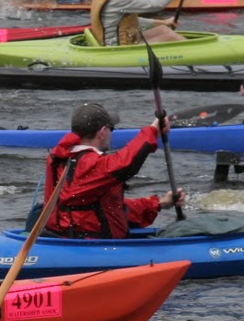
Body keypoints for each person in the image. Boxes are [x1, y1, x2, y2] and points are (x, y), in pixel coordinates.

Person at [43, 101, 182, 239]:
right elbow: (125, 164)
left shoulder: (68, 158)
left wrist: (159, 203)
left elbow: (111, 208)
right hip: (87, 246)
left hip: (79, 237)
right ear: (102, 132)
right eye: (111, 129)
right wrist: (153, 131)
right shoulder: (85, 165)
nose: (111, 133)